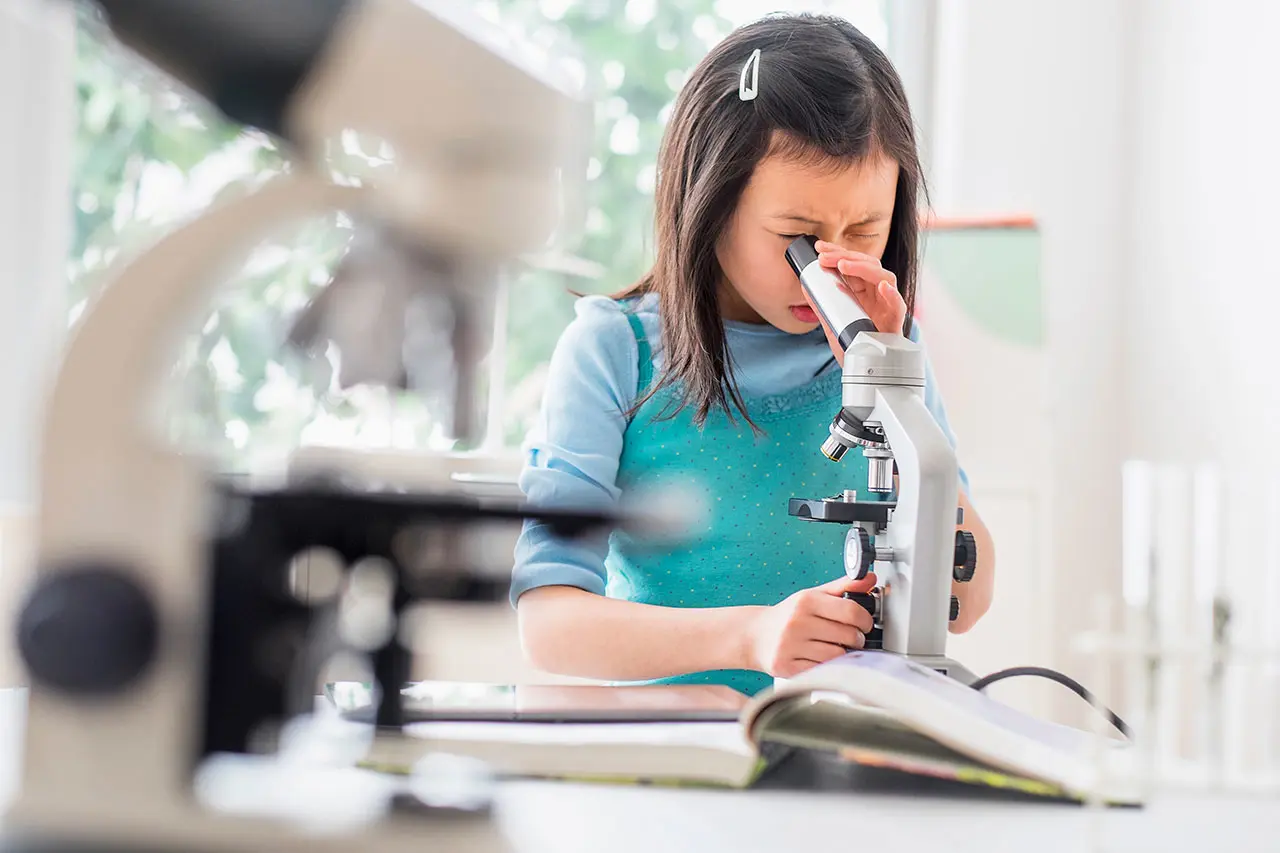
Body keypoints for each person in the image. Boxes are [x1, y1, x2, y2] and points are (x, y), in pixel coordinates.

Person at [510, 13, 995, 696]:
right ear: (711, 206)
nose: (830, 268)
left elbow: (966, 599)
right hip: (669, 757)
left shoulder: (890, 351)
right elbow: (549, 625)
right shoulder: (611, 352)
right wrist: (751, 635)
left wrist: (891, 382)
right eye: (797, 237)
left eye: (865, 231)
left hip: (833, 750)